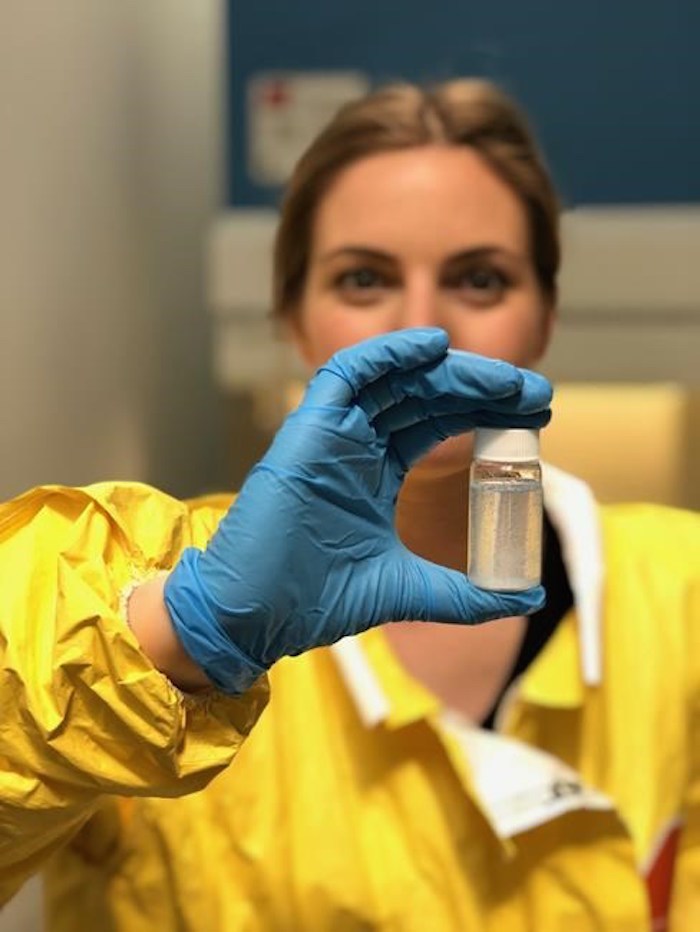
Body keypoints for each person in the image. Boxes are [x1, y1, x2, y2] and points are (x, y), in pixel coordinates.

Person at [0, 79, 698, 931]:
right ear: (292, 319)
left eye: (479, 279)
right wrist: (182, 639)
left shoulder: (682, 593)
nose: (422, 331)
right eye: (364, 279)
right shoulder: (137, 583)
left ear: (545, 316)